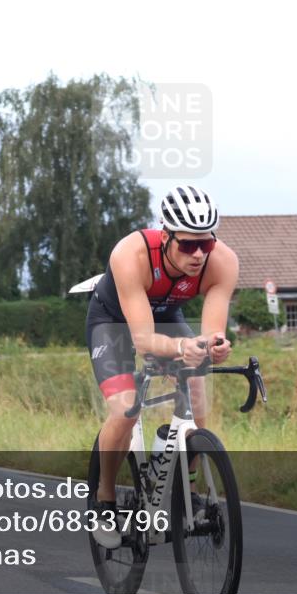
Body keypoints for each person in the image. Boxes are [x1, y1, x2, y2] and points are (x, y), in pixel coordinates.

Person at [85, 185, 239, 548]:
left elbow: (211, 333)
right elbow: (143, 340)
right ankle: (104, 500)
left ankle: (188, 483)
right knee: (124, 409)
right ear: (165, 235)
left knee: (197, 381)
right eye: (188, 245)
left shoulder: (224, 262)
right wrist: (183, 346)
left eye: (206, 243)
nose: (199, 254)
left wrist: (213, 347)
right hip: (114, 321)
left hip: (167, 315)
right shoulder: (130, 254)